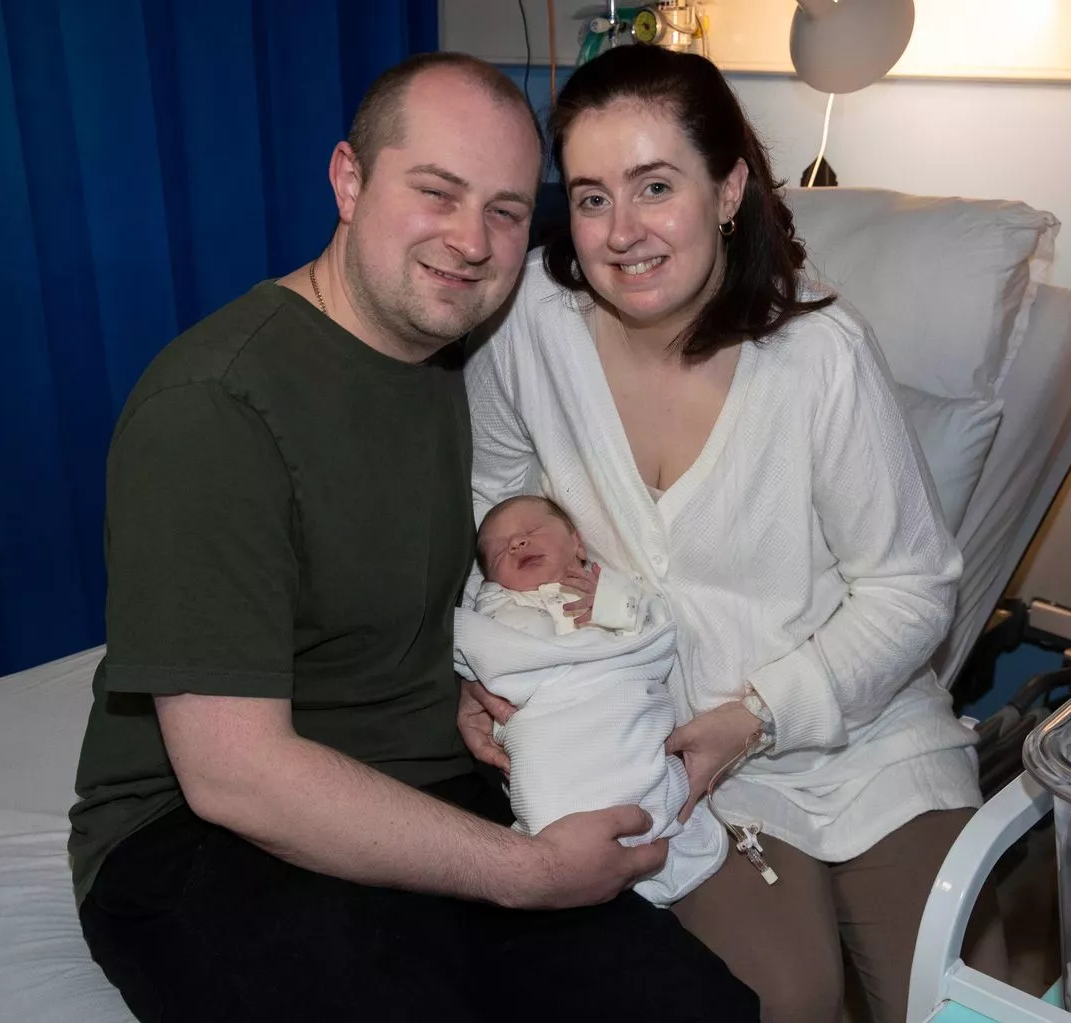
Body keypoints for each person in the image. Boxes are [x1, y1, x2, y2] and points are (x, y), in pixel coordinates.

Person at [67, 52, 763, 1023]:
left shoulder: (459, 362)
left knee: (695, 1009)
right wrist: (524, 872)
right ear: (349, 180)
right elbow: (234, 774)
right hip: (194, 837)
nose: (471, 241)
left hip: (424, 780)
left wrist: (468, 690)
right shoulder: (215, 408)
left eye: (507, 211)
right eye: (436, 193)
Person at [460, 44, 1010, 1023]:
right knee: (788, 999)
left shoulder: (814, 359)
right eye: (591, 198)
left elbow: (910, 589)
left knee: (954, 988)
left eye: (655, 186)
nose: (622, 233)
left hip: (863, 726)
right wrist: (495, 665)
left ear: (727, 188)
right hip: (668, 743)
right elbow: (494, 503)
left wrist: (757, 713)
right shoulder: (530, 328)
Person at [457, 494, 728, 905]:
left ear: (577, 545)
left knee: (646, 762)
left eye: (530, 533)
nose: (516, 545)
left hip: (616, 703)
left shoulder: (610, 587)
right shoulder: (498, 605)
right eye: (499, 551)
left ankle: (651, 818)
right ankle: (557, 841)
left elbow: (655, 633)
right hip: (550, 722)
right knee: (546, 792)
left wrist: (615, 602)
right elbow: (477, 645)